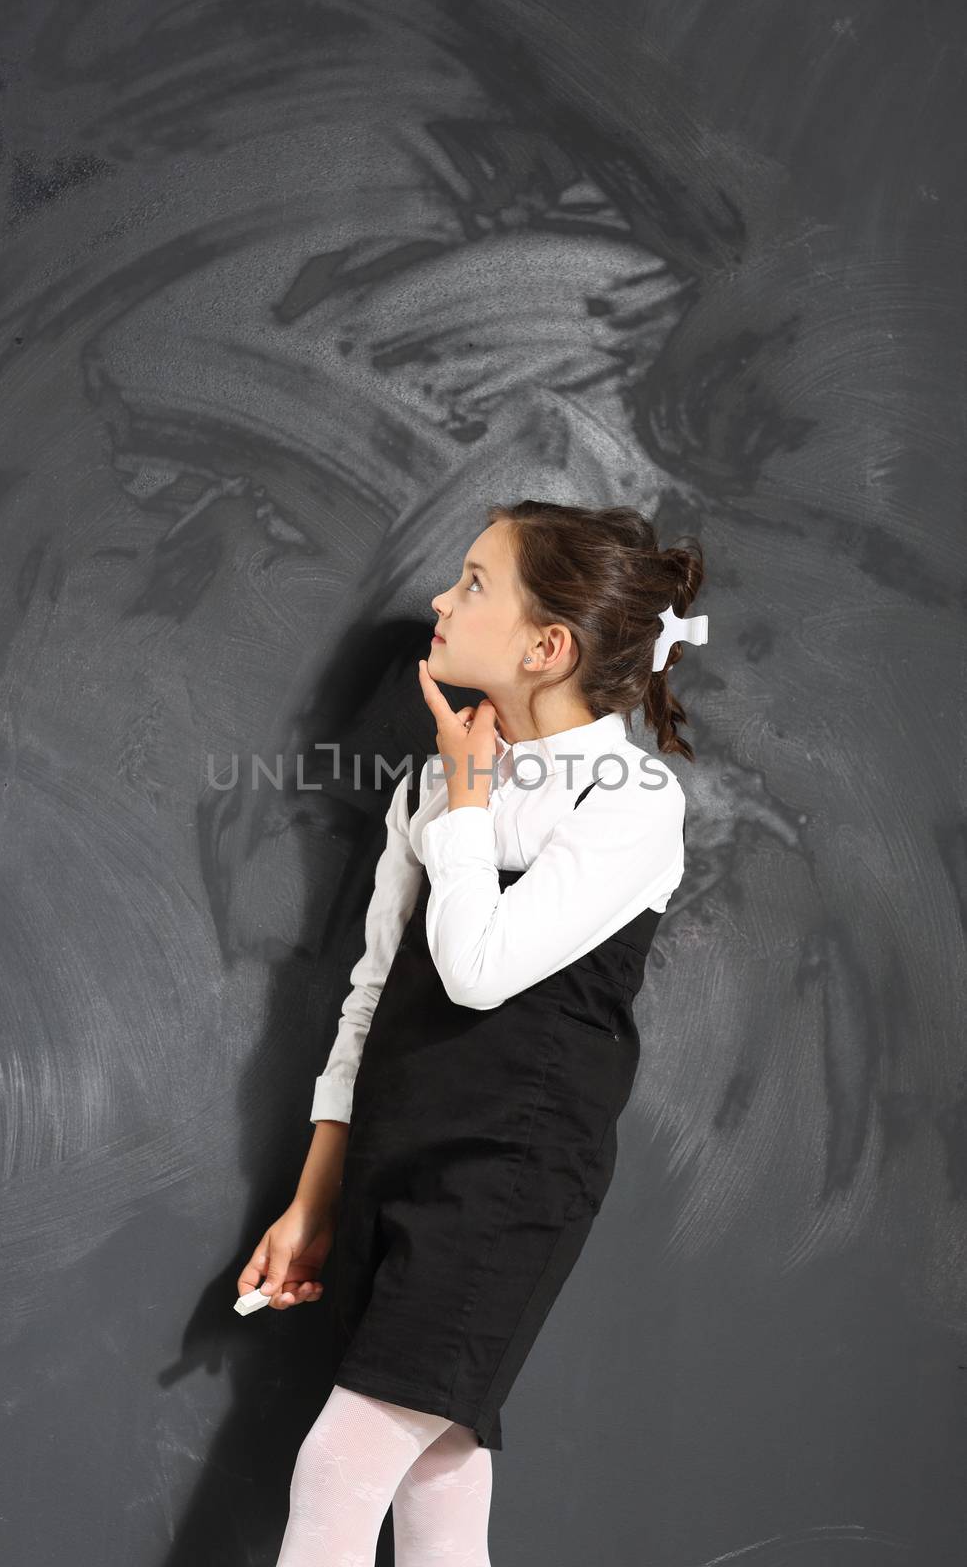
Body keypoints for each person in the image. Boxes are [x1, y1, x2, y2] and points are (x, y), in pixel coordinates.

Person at [239, 499, 706, 1565]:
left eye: (472, 583)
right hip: (394, 1161)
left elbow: (478, 967)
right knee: (442, 1478)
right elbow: (372, 993)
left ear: (548, 647)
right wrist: (316, 1197)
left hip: (507, 1183)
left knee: (339, 1468)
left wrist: (464, 799)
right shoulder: (426, 788)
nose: (440, 603)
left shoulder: (627, 798)